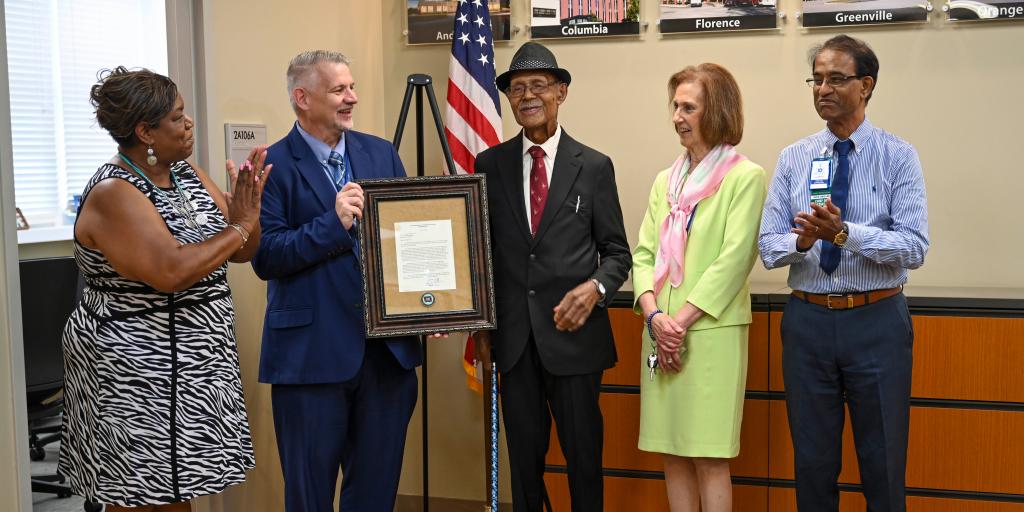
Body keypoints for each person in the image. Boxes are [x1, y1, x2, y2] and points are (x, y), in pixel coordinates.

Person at [60, 67, 268, 511]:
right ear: (144, 131)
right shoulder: (115, 191)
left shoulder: (187, 174)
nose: (189, 123)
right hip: (136, 370)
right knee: (140, 493)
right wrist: (240, 224)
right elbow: (170, 271)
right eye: (177, 117)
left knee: (174, 490)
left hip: (194, 363)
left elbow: (242, 250)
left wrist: (249, 213)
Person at [759, 35, 929, 511]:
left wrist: (845, 234)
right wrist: (803, 241)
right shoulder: (794, 158)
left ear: (866, 84)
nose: (822, 89)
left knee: (883, 464)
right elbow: (769, 248)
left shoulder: (899, 156)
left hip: (876, 323)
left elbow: (914, 248)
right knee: (812, 465)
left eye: (836, 79)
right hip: (807, 323)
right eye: (816, 79)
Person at [251, 50, 421, 512]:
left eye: (352, 87)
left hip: (387, 357)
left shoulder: (379, 151)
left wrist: (434, 304)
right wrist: (332, 223)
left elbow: (403, 239)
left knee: (375, 494)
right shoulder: (270, 164)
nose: (353, 98)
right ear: (302, 98)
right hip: (310, 360)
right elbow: (265, 256)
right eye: (339, 90)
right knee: (309, 497)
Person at [473, 42, 632, 512]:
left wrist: (596, 288)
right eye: (517, 88)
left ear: (561, 92)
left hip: (576, 339)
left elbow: (618, 254)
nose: (527, 97)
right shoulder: (489, 165)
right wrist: (481, 324)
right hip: (515, 343)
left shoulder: (595, 166)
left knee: (585, 458)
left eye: (538, 86)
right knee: (524, 462)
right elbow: (483, 254)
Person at [632, 63, 767, 512]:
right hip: (660, 330)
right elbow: (643, 255)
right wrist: (655, 317)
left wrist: (679, 324)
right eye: (675, 105)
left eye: (688, 107)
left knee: (709, 456)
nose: (677, 116)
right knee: (672, 452)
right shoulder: (663, 182)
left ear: (717, 111)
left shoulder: (745, 177)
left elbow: (734, 260)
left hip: (709, 334)